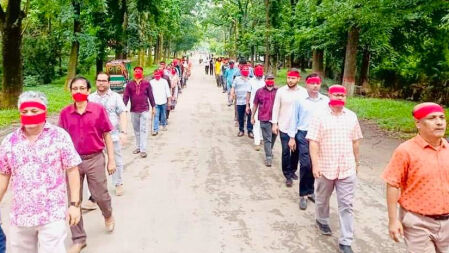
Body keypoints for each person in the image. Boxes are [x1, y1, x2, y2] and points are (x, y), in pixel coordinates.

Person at [0, 91, 81, 253]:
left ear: (44, 111)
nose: (29, 114)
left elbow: (72, 170)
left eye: (34, 111)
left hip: (51, 215)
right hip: (20, 216)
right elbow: (3, 174)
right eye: (24, 111)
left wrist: (74, 205)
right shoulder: (9, 141)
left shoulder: (59, 137)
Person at [58, 77, 117, 253]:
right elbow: (60, 139)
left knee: (100, 195)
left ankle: (107, 214)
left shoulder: (98, 110)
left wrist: (111, 160)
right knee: (73, 200)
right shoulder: (65, 113)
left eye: (82, 88)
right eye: (74, 88)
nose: (78, 91)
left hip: (95, 158)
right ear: (70, 92)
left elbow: (107, 135)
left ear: (88, 91)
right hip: (72, 163)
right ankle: (78, 239)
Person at [382, 102, 449, 253]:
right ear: (418, 123)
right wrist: (393, 221)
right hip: (418, 222)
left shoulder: (447, 148)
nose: (439, 122)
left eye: (442, 118)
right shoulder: (406, 151)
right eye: (432, 118)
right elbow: (392, 184)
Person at [306, 85, 363, 253]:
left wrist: (357, 162)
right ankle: (322, 220)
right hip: (326, 167)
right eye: (336, 94)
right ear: (329, 96)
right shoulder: (319, 116)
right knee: (322, 198)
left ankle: (346, 241)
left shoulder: (351, 116)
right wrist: (316, 164)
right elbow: (314, 142)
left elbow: (355, 141)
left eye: (342, 95)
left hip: (347, 168)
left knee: (347, 204)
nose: (340, 97)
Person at [288, 74, 329, 210]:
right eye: (312, 83)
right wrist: (292, 137)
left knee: (314, 164)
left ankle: (311, 190)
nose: (315, 85)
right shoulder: (299, 100)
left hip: (319, 136)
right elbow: (294, 119)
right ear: (306, 84)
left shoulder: (325, 100)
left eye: (317, 83)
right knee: (305, 164)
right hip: (303, 134)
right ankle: (303, 195)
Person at [88, 72, 128, 196]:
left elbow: (122, 113)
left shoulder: (116, 97)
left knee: (116, 160)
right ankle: (95, 191)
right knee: (94, 164)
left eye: (104, 81)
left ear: (108, 83)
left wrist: (123, 132)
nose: (101, 83)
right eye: (99, 80)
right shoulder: (90, 98)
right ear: (96, 82)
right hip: (94, 137)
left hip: (113, 135)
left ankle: (118, 183)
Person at [271, 68, 307, 187]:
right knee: (286, 151)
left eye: (293, 78)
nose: (290, 80)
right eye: (288, 78)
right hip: (284, 126)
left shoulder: (303, 92)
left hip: (298, 127)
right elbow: (276, 107)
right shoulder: (281, 91)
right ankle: (287, 175)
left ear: (298, 79)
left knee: (296, 151)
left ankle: (292, 170)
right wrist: (274, 123)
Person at [123, 66, 156, 158]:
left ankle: (143, 149)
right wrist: (122, 107)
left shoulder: (147, 83)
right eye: (136, 71)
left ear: (142, 72)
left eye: (139, 71)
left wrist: (153, 107)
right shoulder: (129, 84)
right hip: (133, 110)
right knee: (136, 130)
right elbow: (126, 97)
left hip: (144, 110)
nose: (137, 72)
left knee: (143, 130)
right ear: (133, 73)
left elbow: (151, 96)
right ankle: (138, 147)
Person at [251, 74, 278, 167]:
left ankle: (269, 150)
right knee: (267, 139)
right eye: (268, 79)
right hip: (264, 118)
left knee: (273, 137)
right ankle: (268, 157)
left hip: (276, 120)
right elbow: (255, 105)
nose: (270, 80)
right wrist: (252, 116)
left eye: (272, 78)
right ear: (265, 80)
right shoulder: (259, 91)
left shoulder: (278, 91)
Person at [247, 65, 266, 150]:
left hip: (265, 105)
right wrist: (247, 105)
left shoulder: (266, 80)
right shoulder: (250, 81)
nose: (259, 75)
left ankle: (261, 138)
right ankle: (257, 142)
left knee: (264, 123)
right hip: (254, 105)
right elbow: (248, 93)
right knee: (256, 123)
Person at [231, 65, 253, 137]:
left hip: (249, 102)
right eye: (244, 69)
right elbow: (233, 87)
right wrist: (232, 95)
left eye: (247, 69)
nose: (246, 70)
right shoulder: (237, 79)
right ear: (241, 70)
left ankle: (250, 131)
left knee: (249, 116)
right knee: (240, 117)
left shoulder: (251, 80)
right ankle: (241, 130)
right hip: (239, 101)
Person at [150, 70, 172, 135]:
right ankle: (155, 129)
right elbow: (150, 93)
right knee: (156, 115)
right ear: (154, 75)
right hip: (155, 102)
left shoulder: (164, 81)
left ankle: (164, 125)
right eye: (155, 75)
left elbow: (168, 91)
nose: (157, 76)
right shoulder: (151, 82)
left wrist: (169, 101)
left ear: (160, 75)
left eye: (158, 75)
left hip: (163, 101)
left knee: (163, 115)